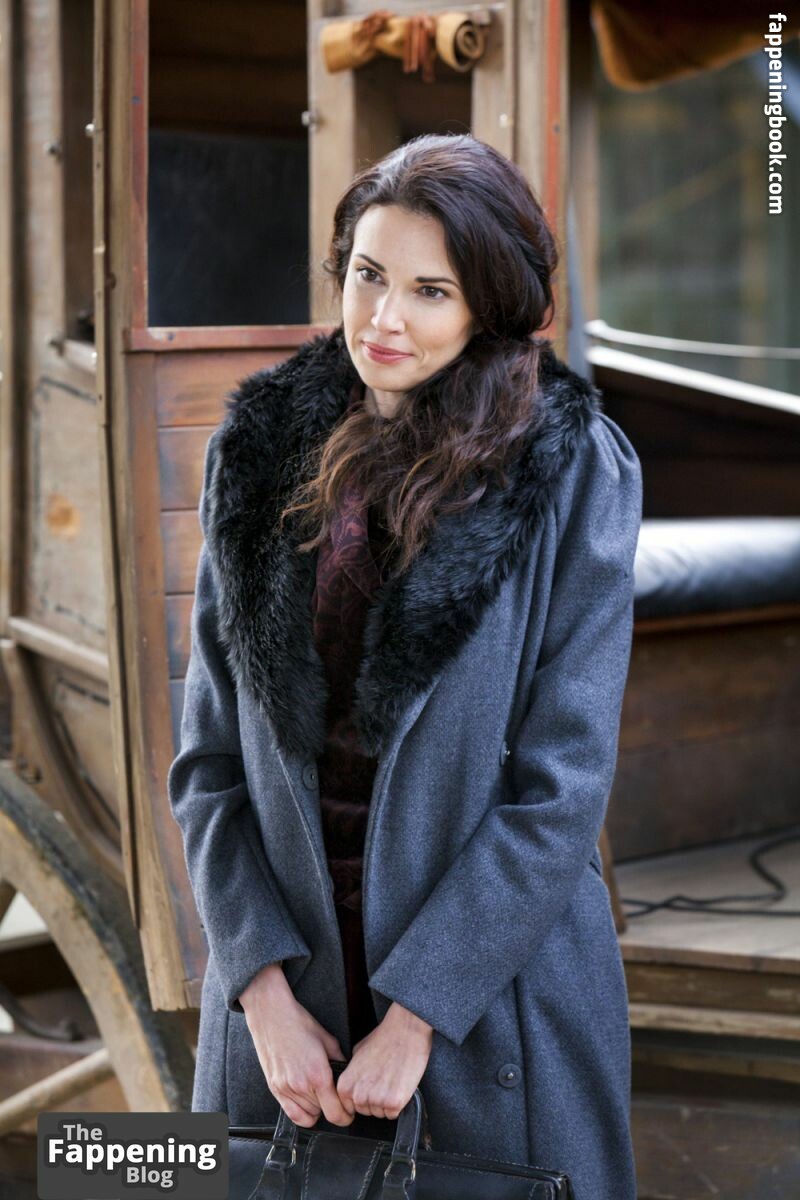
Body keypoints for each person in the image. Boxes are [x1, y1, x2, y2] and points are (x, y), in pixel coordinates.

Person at [167, 132, 642, 1200]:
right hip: (284, 994)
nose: (383, 318)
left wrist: (419, 1013)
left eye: (431, 291)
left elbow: (560, 788)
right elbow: (208, 763)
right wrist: (260, 994)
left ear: (487, 305)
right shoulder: (257, 450)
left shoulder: (571, 469)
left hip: (487, 994)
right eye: (367, 275)